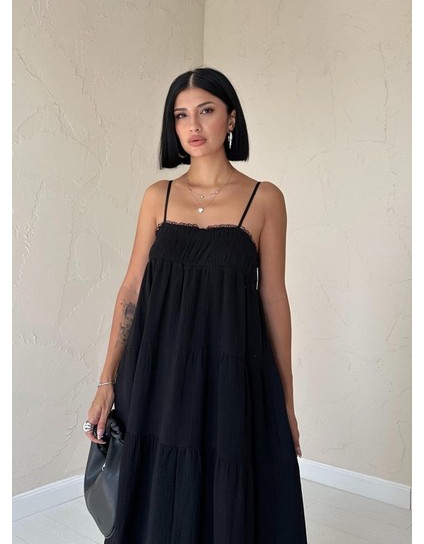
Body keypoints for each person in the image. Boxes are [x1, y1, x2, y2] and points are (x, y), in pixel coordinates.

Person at [84, 67, 308, 543]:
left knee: (226, 489)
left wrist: (286, 400)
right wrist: (106, 380)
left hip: (231, 376)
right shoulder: (158, 197)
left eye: (206, 110)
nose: (193, 125)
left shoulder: (264, 199)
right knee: (157, 490)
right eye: (181, 115)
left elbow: (274, 297)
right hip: (155, 375)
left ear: (231, 118)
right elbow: (131, 289)